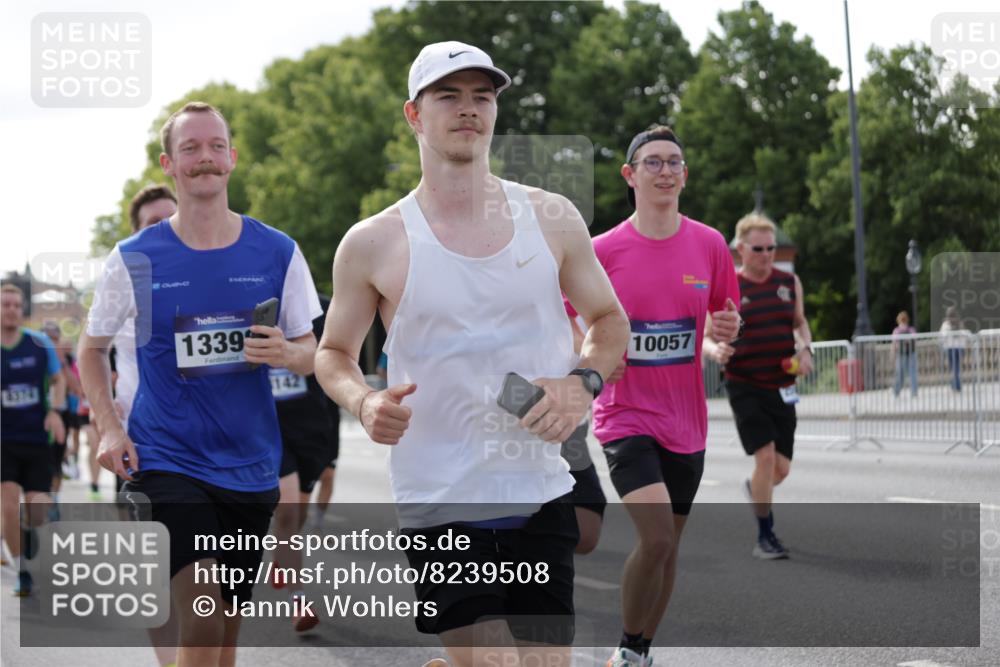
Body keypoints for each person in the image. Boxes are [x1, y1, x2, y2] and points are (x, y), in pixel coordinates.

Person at [314, 41, 629, 667]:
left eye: (481, 97)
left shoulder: (552, 216)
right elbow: (333, 354)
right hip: (440, 496)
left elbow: (609, 320)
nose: (468, 109)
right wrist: (365, 399)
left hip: (539, 485)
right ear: (413, 115)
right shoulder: (374, 241)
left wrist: (582, 381)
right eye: (448, 96)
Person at [78, 101, 321, 667]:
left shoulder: (278, 250)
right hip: (167, 458)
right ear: (169, 163)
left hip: (250, 464)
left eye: (215, 146)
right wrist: (110, 429)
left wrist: (288, 352)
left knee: (223, 633)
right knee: (202, 612)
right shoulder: (134, 257)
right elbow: (91, 350)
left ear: (232, 159)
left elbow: (314, 352)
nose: (204, 158)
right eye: (190, 149)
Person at [583, 126, 741, 667]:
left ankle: (642, 649)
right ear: (630, 175)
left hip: (687, 421)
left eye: (674, 162)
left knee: (668, 548)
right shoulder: (601, 251)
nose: (666, 171)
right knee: (654, 539)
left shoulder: (711, 244)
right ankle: (625, 650)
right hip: (624, 415)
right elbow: (566, 322)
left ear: (685, 175)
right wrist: (597, 357)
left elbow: (725, 319)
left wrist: (726, 329)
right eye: (652, 162)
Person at [706, 213, 813, 562]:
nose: (767, 254)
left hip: (783, 386)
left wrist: (805, 348)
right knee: (764, 457)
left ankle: (757, 488)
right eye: (758, 248)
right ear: (740, 249)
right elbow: (707, 337)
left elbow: (799, 324)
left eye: (771, 247)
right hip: (745, 384)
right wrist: (716, 350)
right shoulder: (728, 288)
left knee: (780, 469)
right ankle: (765, 536)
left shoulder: (789, 281)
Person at [269, 294, 340, 633]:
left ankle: (281, 557)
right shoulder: (249, 312)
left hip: (312, 430)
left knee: (295, 516)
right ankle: (299, 600)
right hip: (270, 430)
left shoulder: (321, 312)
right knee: (287, 510)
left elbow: (337, 362)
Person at [1, 284, 66, 596]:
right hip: (4, 441)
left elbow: (58, 380)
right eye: (5, 304)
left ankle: (28, 544)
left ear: (22, 309)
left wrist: (54, 410)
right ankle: (22, 572)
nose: (11, 309)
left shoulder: (39, 343)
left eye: (16, 305)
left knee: (37, 510)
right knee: (9, 507)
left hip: (36, 440)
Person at [892, 311, 918, 398]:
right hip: (911, 353)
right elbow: (915, 340)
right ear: (907, 320)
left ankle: (896, 391)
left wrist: (892, 354)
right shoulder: (911, 330)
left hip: (901, 354)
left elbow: (894, 344)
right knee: (912, 373)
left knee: (900, 374)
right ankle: (914, 392)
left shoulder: (896, 331)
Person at [940, 306, 965, 392]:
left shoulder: (946, 324)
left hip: (950, 347)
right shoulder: (960, 323)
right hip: (959, 347)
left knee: (953, 368)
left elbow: (942, 336)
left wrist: (943, 345)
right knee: (957, 367)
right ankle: (957, 385)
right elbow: (964, 335)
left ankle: (955, 385)